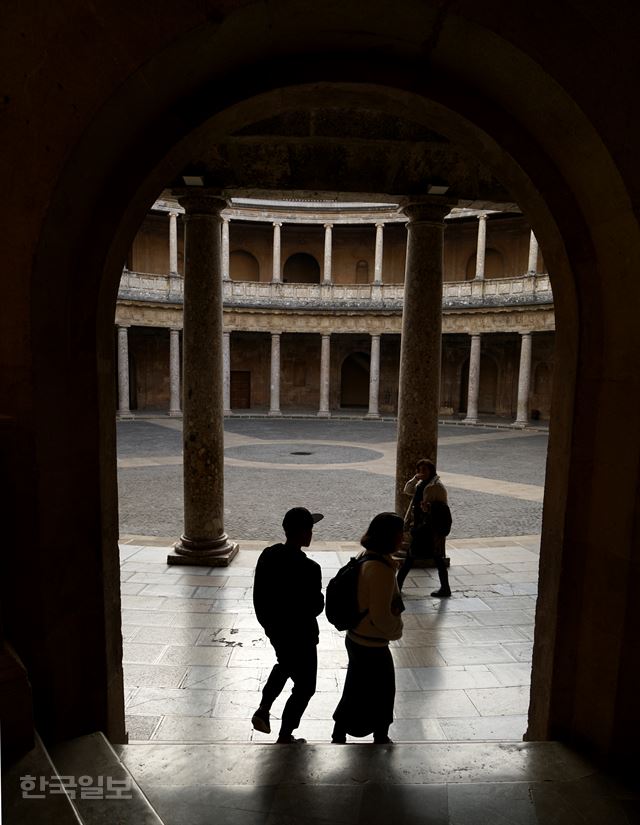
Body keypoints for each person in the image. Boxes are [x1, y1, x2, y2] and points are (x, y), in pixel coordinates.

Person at [251, 507, 325, 744]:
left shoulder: (268, 555)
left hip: (277, 630)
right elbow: (316, 607)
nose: (312, 534)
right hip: (303, 635)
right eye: (310, 529)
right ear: (303, 532)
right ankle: (285, 733)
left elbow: (259, 596)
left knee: (285, 665)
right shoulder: (310, 569)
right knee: (306, 687)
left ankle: (264, 708)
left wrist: (269, 626)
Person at [331, 512, 404, 745]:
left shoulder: (367, 557)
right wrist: (397, 630)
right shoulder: (381, 570)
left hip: (356, 637)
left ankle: (339, 732)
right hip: (371, 642)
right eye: (400, 534)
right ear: (390, 537)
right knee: (383, 691)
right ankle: (380, 735)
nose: (403, 539)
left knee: (355, 687)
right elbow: (382, 615)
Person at [397, 458, 451, 597]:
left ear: (431, 470)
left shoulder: (437, 486)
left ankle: (397, 586)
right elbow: (407, 490)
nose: (422, 472)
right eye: (419, 470)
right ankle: (445, 588)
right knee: (432, 557)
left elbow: (443, 509)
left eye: (424, 470)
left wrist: (429, 508)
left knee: (413, 557)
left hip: (429, 528)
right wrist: (415, 478)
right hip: (420, 525)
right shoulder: (421, 482)